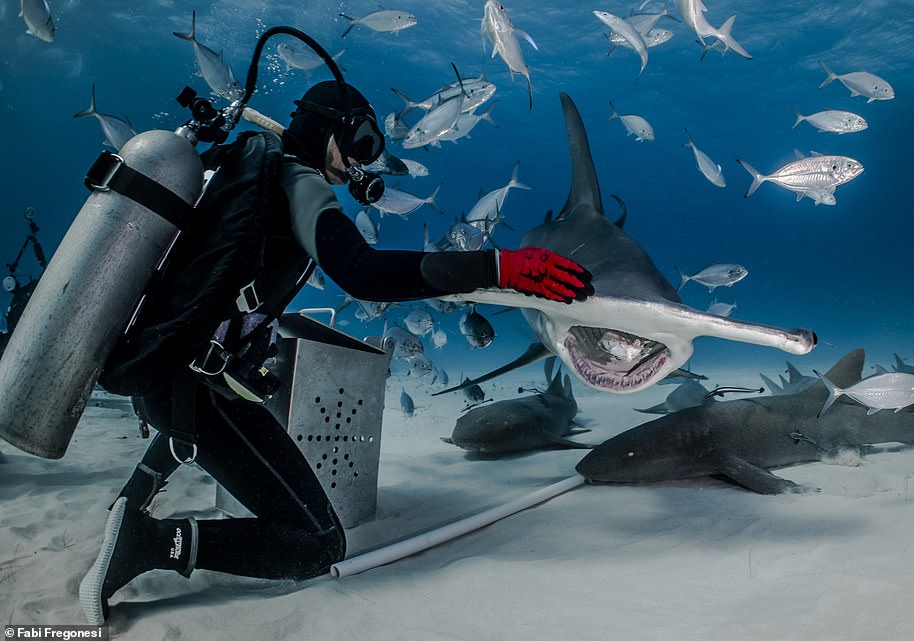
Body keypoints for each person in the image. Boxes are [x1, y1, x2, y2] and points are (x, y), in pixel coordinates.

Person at [79, 79, 594, 625]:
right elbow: (361, 272)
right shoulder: (295, 178)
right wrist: (499, 268)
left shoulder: (241, 169)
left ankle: (137, 491)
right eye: (365, 142)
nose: (363, 163)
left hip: (166, 366)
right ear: (333, 130)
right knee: (317, 543)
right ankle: (150, 542)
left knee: (236, 414)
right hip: (189, 390)